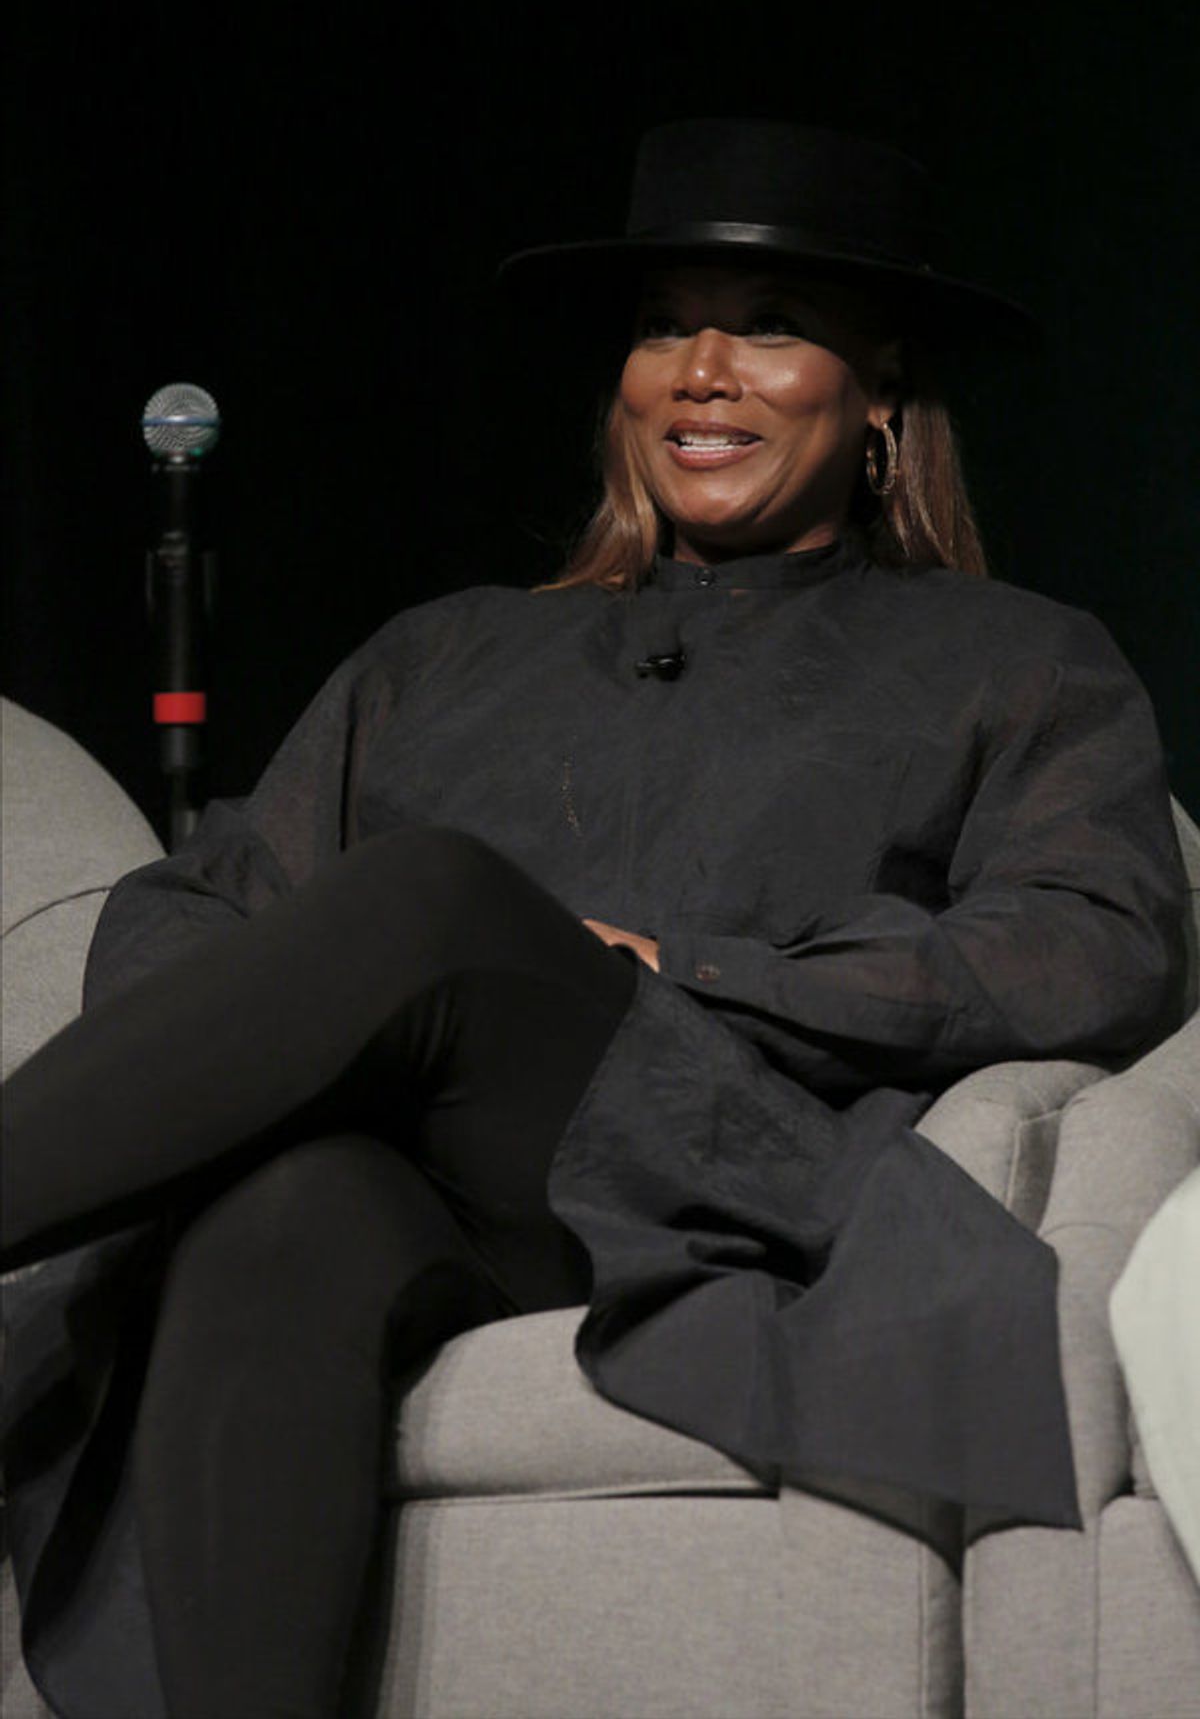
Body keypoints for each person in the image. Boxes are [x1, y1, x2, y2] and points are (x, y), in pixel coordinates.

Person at [1, 119, 1189, 1719]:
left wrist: (687, 972)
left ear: (880, 388)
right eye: (662, 326)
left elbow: (1092, 943)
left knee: (433, 897)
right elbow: (198, 909)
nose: (701, 371)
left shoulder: (1015, 657)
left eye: (769, 326)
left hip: (725, 1179)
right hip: (437, 1200)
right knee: (284, 1217)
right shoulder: (443, 653)